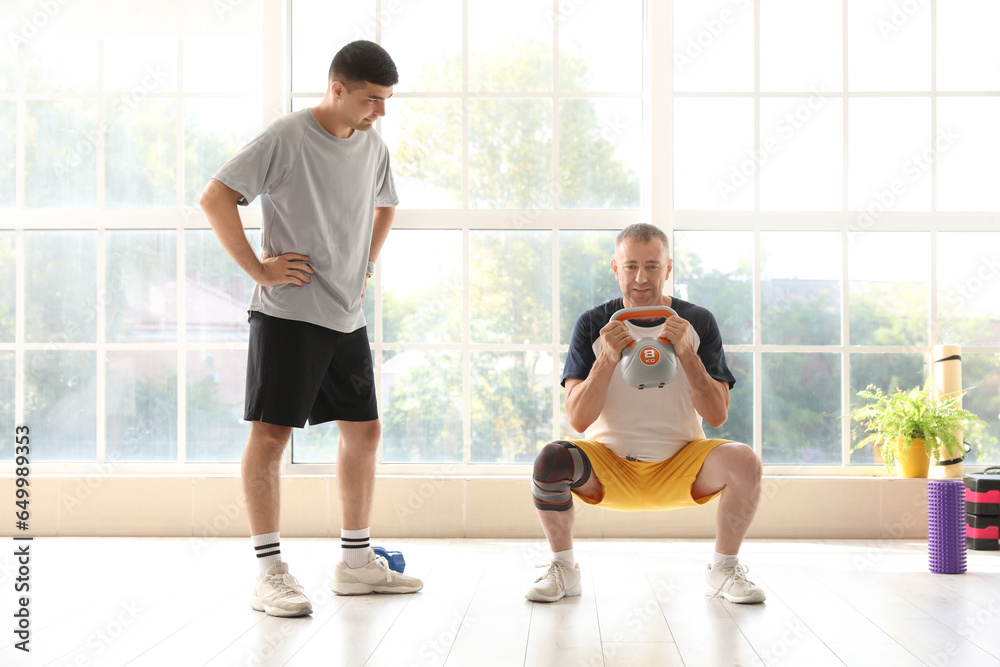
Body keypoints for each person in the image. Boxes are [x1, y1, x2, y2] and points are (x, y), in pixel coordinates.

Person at [199, 40, 422, 618]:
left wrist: (366, 263)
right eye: (372, 99)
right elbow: (215, 196)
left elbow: (386, 205)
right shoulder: (288, 136)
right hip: (288, 314)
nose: (380, 111)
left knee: (364, 431)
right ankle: (270, 572)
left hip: (347, 315)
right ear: (337, 88)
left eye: (387, 101)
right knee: (272, 438)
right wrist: (257, 269)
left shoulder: (373, 146)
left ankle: (354, 564)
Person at [527, 223, 765, 605]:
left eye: (652, 266)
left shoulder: (698, 322)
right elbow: (578, 419)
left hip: (683, 463)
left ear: (668, 267)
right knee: (550, 460)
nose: (641, 278)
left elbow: (717, 415)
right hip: (609, 467)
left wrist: (686, 352)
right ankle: (564, 570)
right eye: (631, 266)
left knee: (745, 460)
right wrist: (606, 358)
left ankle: (723, 570)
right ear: (615, 268)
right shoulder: (593, 323)